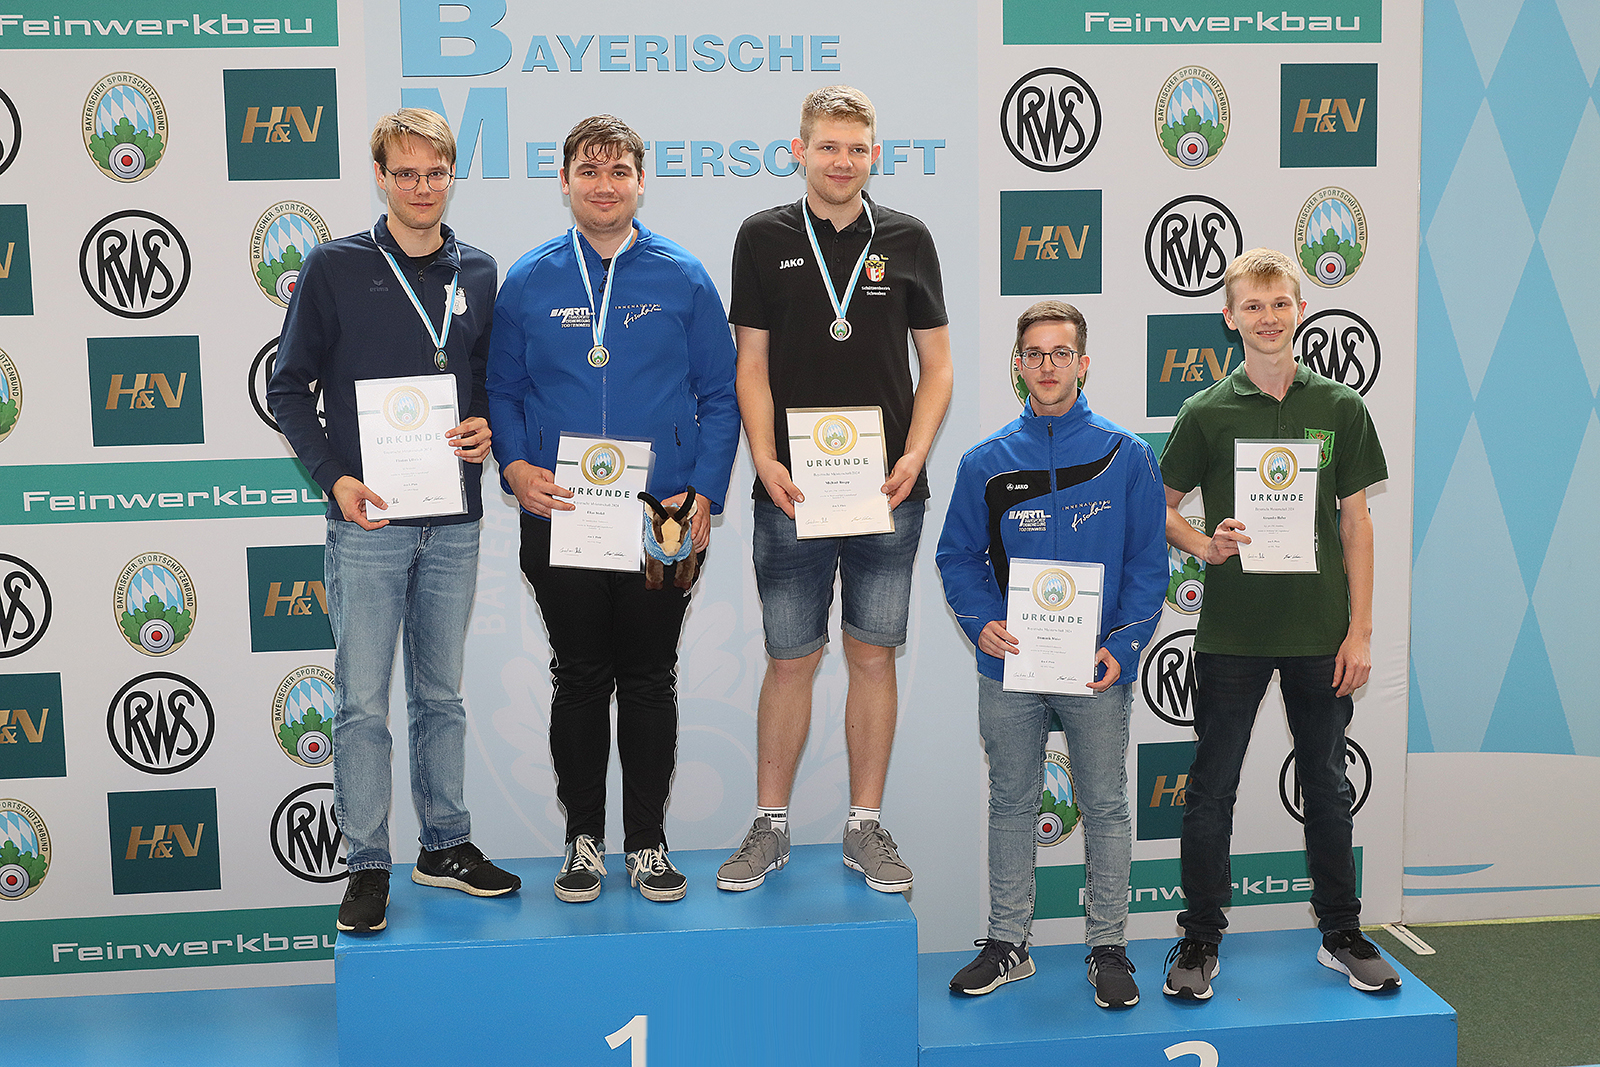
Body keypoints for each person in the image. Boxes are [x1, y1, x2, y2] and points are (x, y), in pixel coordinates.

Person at [269, 109, 520, 934]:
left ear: (451, 174)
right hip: (369, 521)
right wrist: (335, 478)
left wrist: (486, 427)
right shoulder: (335, 266)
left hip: (453, 518)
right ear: (380, 176)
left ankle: (444, 844)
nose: (421, 186)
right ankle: (368, 862)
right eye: (405, 172)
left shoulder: (478, 269)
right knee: (361, 704)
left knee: (441, 695)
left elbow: (487, 381)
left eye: (434, 172)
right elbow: (287, 387)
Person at [487, 115, 739, 904]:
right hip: (560, 511)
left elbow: (720, 394)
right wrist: (515, 466)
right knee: (580, 676)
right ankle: (584, 840)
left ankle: (649, 843)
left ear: (641, 181)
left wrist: (704, 490)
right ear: (564, 181)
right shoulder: (529, 280)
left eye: (619, 171)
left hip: (662, 519)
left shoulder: (684, 276)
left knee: (650, 677)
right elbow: (503, 389)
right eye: (589, 171)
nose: (604, 185)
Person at [717, 86, 953, 896]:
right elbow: (750, 364)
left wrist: (915, 453)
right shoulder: (762, 236)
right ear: (800, 151)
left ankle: (864, 825)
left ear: (873, 155)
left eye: (856, 149)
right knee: (791, 659)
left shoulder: (909, 239)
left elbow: (938, 367)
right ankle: (770, 825)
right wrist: (763, 457)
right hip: (791, 490)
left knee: (872, 655)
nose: (842, 161)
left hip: (887, 489)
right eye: (828, 147)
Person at [1159, 248, 1399, 998]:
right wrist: (1207, 545)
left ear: (1301, 309)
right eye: (1253, 305)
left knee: (1326, 785)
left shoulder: (1342, 407)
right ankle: (1200, 937)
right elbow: (1161, 509)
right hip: (1231, 635)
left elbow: (1357, 524)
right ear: (1230, 317)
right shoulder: (1204, 412)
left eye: (1280, 303)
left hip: (1320, 634)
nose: (1268, 317)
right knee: (1211, 790)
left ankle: (1341, 932)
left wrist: (1360, 631)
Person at [935, 301, 1166, 1007]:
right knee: (1011, 801)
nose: (1047, 365)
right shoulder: (985, 461)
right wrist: (982, 622)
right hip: (1010, 665)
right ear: (1018, 365)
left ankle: (1108, 947)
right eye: (1034, 353)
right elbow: (956, 556)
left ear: (1082, 363)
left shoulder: (1128, 455)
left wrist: (1122, 646)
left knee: (1105, 805)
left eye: (1060, 353)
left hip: (1096, 666)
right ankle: (1008, 943)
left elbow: (1147, 564)